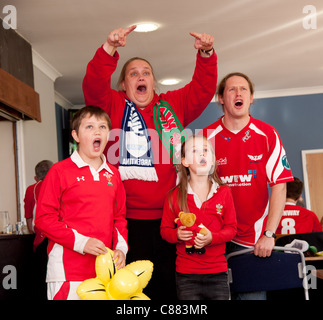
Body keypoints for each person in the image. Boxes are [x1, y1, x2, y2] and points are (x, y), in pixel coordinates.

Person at [83, 25, 217, 299]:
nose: (140, 77)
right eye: (133, 74)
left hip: (171, 218)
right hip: (125, 220)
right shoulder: (111, 105)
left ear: (154, 83)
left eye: (146, 73)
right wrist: (109, 48)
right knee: (129, 290)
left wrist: (206, 54)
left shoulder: (171, 105)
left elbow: (202, 90)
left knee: (169, 286)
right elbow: (93, 85)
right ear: (123, 84)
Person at [200, 72, 294, 299]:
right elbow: (193, 188)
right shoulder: (204, 138)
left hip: (254, 243)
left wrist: (269, 233)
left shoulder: (268, 134)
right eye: (232, 89)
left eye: (243, 89)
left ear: (251, 97)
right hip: (214, 241)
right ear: (221, 98)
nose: (238, 93)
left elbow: (280, 186)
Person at [35, 106, 128, 300]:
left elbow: (119, 218)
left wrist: (121, 248)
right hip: (67, 273)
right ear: (76, 135)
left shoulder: (114, 174)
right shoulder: (59, 171)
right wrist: (82, 242)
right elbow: (43, 219)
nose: (97, 131)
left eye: (102, 127)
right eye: (90, 127)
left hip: (105, 273)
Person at [161, 135, 236, 300]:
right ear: (185, 162)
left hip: (218, 273)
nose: (202, 154)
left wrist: (212, 238)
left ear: (213, 159)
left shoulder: (224, 192)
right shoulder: (173, 196)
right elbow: (165, 230)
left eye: (206, 150)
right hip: (186, 275)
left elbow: (231, 229)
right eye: (195, 151)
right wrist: (177, 235)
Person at [24, 159, 53, 250]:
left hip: (41, 236)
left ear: (36, 177)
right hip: (59, 236)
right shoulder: (58, 185)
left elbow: (28, 217)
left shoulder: (31, 189)